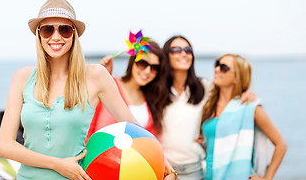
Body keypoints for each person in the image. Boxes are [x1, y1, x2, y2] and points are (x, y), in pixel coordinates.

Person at [0, 0, 139, 180]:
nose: (56, 37)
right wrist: (58, 164)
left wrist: (166, 168)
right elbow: (5, 145)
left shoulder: (96, 76)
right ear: (39, 35)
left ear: (74, 35)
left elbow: (136, 130)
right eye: (48, 29)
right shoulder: (22, 78)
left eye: (64, 29)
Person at [159, 36, 257, 180]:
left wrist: (246, 92)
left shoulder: (205, 87)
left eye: (188, 50)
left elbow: (230, 88)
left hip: (193, 169)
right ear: (166, 55)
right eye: (176, 50)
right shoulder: (156, 90)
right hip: (162, 168)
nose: (184, 53)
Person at [201, 54, 287, 180]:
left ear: (237, 77)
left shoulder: (248, 107)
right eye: (217, 64)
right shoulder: (210, 104)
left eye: (224, 67)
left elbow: (281, 145)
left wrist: (267, 178)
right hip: (209, 176)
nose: (217, 69)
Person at [87, 40, 168, 139]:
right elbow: (87, 124)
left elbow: (149, 140)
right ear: (132, 62)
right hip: (98, 153)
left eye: (154, 67)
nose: (147, 71)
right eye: (142, 63)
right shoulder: (110, 85)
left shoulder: (152, 99)